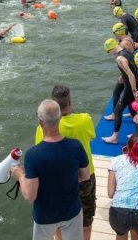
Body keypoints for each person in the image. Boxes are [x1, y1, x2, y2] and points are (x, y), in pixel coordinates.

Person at [11, 99, 90, 240]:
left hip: (45, 217)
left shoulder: (33, 155)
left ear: (40, 122)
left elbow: (30, 196)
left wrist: (20, 175)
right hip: (71, 212)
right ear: (59, 118)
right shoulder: (76, 146)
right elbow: (85, 176)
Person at [35, 85, 96, 240]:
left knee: (60, 221)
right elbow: (92, 137)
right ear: (70, 101)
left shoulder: (43, 128)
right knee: (86, 222)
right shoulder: (84, 120)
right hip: (85, 176)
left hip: (58, 179)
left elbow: (41, 150)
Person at [107, 135, 138, 240]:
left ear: (127, 147)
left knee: (121, 235)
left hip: (119, 210)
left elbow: (110, 194)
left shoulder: (116, 160)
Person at [102, 38, 138, 144]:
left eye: (108, 52)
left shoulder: (120, 59)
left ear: (112, 49)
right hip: (132, 83)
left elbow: (131, 75)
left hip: (130, 86)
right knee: (133, 110)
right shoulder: (126, 51)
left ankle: (114, 137)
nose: (109, 54)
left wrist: (134, 91)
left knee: (118, 111)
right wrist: (122, 75)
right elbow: (133, 68)